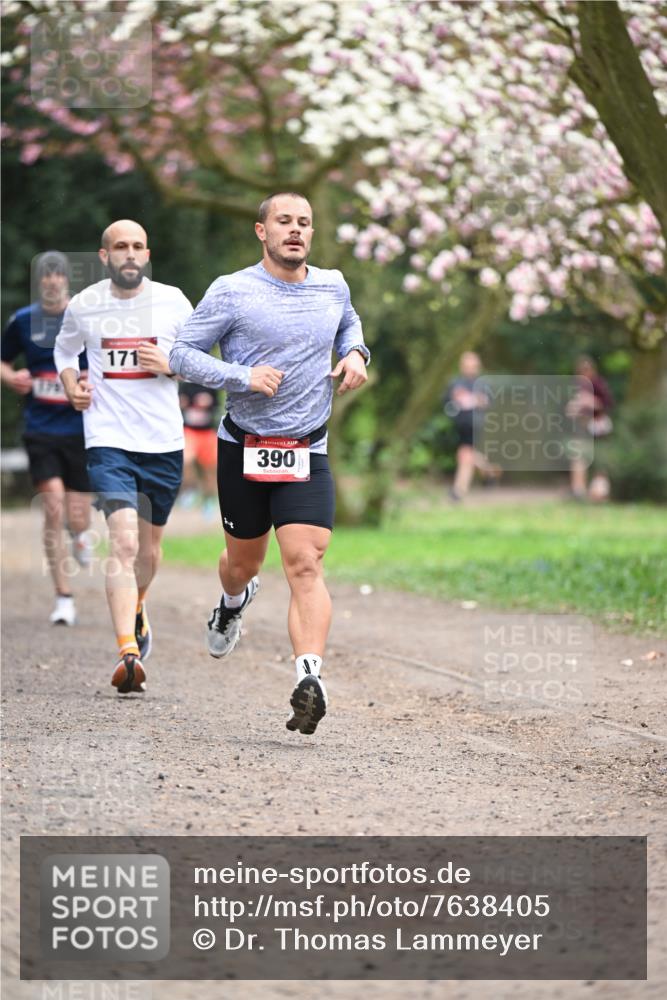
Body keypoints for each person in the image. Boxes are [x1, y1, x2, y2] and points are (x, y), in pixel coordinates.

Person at [169, 192, 370, 736]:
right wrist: (242, 376)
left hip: (308, 447)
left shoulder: (333, 284)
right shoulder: (233, 290)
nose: (296, 231)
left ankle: (310, 678)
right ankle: (232, 603)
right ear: (262, 231)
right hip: (243, 447)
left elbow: (350, 326)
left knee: (305, 562)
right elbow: (181, 353)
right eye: (284, 222)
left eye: (305, 222)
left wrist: (356, 354)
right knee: (244, 564)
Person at [54, 220, 192, 693]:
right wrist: (72, 385)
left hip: (163, 443)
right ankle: (127, 654)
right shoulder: (85, 304)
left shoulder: (173, 301)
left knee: (149, 551)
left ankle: (137, 604)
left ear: (147, 254)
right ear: (105, 255)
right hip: (108, 440)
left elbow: (196, 358)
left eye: (136, 246)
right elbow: (65, 351)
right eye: (120, 247)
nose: (129, 254)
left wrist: (171, 364)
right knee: (125, 544)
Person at [1, 251, 92, 626]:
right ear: (40, 282)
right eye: (46, 277)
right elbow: (3, 362)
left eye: (59, 277)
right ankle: (63, 597)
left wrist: (90, 381)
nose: (53, 282)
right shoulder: (23, 321)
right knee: (53, 505)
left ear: (68, 281)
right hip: (41, 428)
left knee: (78, 514)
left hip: (82, 430)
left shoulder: (87, 319)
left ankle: (81, 534)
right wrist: (11, 378)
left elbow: (110, 363)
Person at [444, 351, 500, 501]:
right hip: (461, 425)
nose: (470, 368)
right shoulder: (455, 382)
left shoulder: (482, 384)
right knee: (466, 455)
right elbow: (448, 403)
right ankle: (490, 472)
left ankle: (458, 491)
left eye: (472, 365)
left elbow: (489, 402)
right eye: (467, 365)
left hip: (476, 424)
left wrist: (477, 399)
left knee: (465, 454)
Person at [567, 354, 614, 501]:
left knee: (599, 461)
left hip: (597, 427)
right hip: (582, 427)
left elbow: (607, 404)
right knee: (578, 459)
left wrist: (591, 402)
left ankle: (598, 493)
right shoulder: (578, 385)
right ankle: (578, 491)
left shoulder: (598, 383)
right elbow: (572, 408)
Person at [178, 381, 220, 518]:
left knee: (210, 470)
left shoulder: (210, 385)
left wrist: (209, 402)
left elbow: (217, 406)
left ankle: (208, 501)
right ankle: (190, 490)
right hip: (189, 430)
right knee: (186, 461)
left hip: (207, 433)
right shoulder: (184, 386)